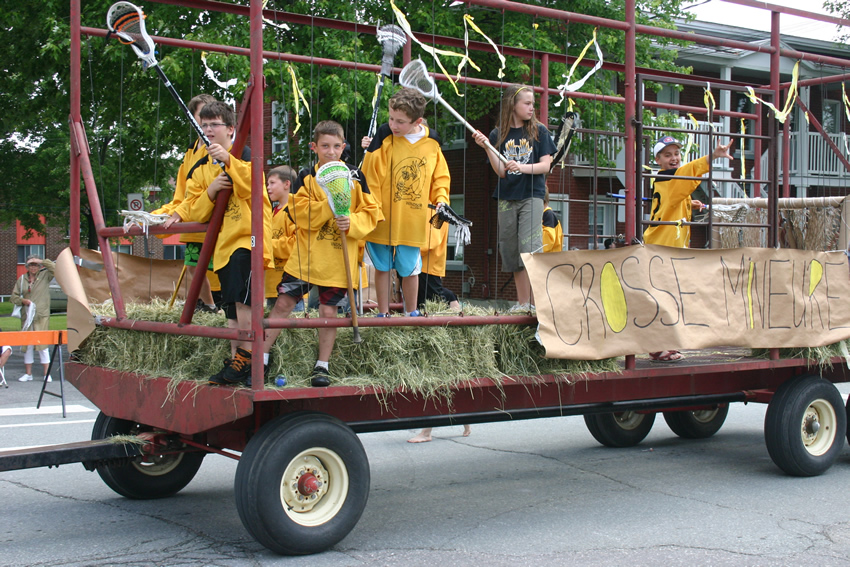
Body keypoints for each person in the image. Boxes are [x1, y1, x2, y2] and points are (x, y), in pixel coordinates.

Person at [264, 120, 381, 387]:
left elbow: (373, 213)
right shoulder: (305, 176)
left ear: (343, 147)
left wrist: (352, 222)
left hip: (339, 260)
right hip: (306, 257)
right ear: (314, 147)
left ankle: (322, 366)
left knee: (328, 311)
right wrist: (330, 204)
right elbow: (296, 212)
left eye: (336, 146)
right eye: (324, 146)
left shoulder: (355, 176)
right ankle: (262, 356)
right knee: (283, 303)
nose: (331, 151)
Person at [164, 101, 273, 384]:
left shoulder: (246, 155)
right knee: (230, 306)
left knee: (245, 301)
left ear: (231, 129)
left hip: (247, 239)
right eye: (205, 125)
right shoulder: (200, 168)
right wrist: (211, 191)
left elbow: (253, 187)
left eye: (215, 125)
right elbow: (197, 210)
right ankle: (237, 359)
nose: (209, 130)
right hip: (223, 245)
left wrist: (228, 161)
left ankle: (249, 357)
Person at [643, 134, 735, 362]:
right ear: (658, 159)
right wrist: (713, 156)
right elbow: (690, 172)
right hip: (664, 247)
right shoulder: (670, 178)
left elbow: (671, 201)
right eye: (667, 155)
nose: (674, 158)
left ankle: (663, 344)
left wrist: (689, 203)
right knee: (666, 298)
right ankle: (658, 346)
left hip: (667, 246)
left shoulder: (666, 181)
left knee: (669, 297)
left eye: (676, 153)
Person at [362, 88, 451, 317]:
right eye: (391, 118)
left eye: (400, 121)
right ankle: (383, 314)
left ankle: (411, 313)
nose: (393, 124)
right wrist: (373, 209)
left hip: (413, 220)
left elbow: (440, 177)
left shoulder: (432, 143)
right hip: (382, 218)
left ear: (417, 121)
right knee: (382, 267)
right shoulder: (384, 136)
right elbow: (369, 175)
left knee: (411, 269)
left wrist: (441, 200)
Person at [472, 84, 556, 311]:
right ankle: (523, 304)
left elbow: (546, 166)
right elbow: (500, 171)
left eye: (533, 104)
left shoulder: (539, 131)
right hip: (507, 197)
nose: (531, 108)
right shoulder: (497, 134)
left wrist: (521, 166)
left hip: (531, 196)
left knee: (530, 249)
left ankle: (538, 306)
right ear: (513, 105)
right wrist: (487, 147)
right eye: (527, 104)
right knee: (512, 252)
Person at [152, 93, 219, 312]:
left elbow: (211, 187)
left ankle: (218, 307)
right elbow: (182, 194)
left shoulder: (218, 150)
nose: (202, 122)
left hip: (214, 220)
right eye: (199, 116)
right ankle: (209, 306)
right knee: (193, 267)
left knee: (216, 270)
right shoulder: (190, 152)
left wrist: (180, 211)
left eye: (208, 116)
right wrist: (159, 214)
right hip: (192, 216)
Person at [11, 255, 56, 382]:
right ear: (27, 267)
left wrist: (42, 261)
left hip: (41, 316)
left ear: (39, 266)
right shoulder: (21, 280)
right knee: (28, 344)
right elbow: (13, 297)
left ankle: (47, 374)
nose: (33, 267)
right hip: (27, 317)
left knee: (42, 344)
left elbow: (56, 269)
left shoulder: (45, 276)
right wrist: (23, 300)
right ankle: (28, 373)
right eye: (31, 265)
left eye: (36, 264)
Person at [264, 166, 298, 309]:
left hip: (290, 286)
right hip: (272, 284)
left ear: (286, 184)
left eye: (272, 183)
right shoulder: (272, 212)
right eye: (267, 184)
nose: (268, 187)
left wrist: (265, 245)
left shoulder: (295, 209)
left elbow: (296, 244)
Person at [417, 220, 460, 311]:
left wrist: (409, 251)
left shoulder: (437, 208)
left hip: (426, 264)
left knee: (430, 303)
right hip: (423, 263)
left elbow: (432, 237)